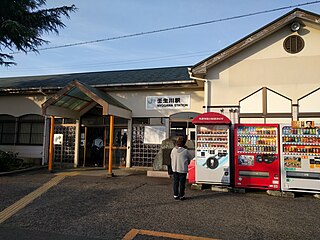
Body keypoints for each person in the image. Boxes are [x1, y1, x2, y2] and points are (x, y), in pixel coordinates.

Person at [170, 136, 192, 200]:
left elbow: (171, 157)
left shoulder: (173, 150)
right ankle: (181, 195)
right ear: (184, 143)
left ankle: (175, 195)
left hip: (175, 168)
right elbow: (190, 158)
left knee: (175, 182)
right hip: (182, 169)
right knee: (182, 183)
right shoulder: (185, 151)